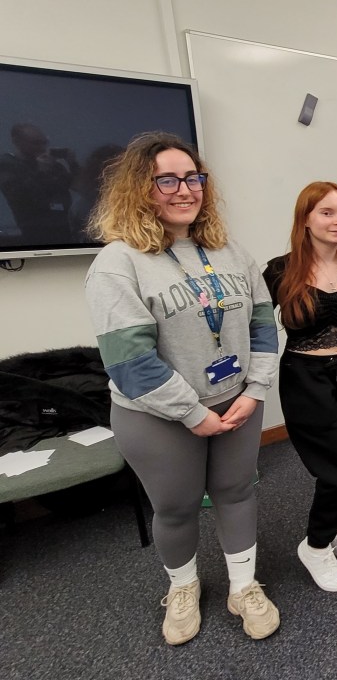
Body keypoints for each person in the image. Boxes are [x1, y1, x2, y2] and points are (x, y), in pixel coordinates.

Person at [84, 132, 280, 645]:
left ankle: (243, 587)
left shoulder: (230, 251)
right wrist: (193, 414)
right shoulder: (118, 262)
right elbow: (130, 362)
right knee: (176, 507)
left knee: (237, 492)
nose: (184, 189)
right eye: (166, 180)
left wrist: (255, 390)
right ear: (139, 189)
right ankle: (183, 587)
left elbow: (263, 326)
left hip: (237, 403)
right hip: (157, 415)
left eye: (193, 178)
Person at [262, 182, 337, 592]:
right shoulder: (280, 270)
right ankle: (316, 545)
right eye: (327, 212)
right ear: (305, 218)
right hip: (305, 377)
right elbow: (251, 326)